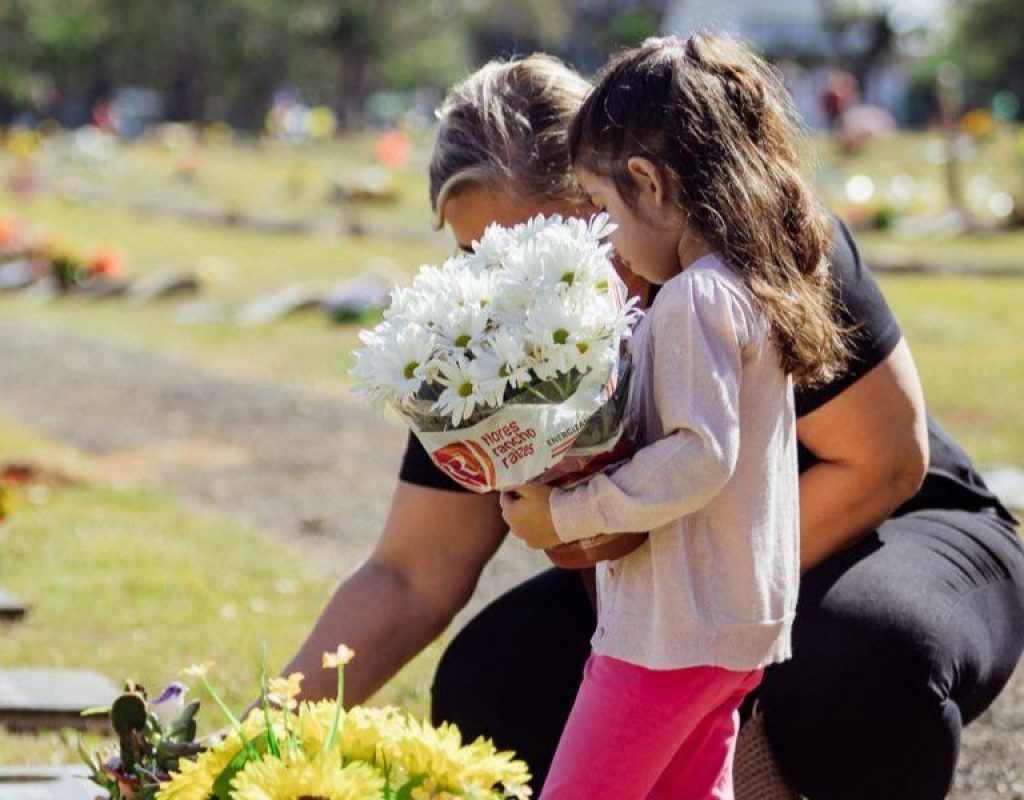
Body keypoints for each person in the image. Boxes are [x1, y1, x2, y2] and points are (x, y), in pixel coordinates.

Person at [281, 53, 1024, 799]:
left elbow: (885, 464)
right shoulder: (491, 346)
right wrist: (258, 741)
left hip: (888, 531)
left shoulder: (757, 254)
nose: (505, 284)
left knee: (857, 652)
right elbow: (408, 574)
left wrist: (656, 569)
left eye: (534, 247)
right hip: (682, 573)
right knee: (494, 683)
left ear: (627, 189)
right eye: (476, 257)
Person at [499, 33, 847, 798]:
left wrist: (564, 512)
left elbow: (698, 455)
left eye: (600, 206)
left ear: (650, 184)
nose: (607, 240)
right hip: (735, 629)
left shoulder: (693, 297)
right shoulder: (747, 287)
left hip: (669, 635)